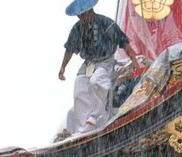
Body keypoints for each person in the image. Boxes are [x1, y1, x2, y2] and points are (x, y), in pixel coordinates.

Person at [58, 0, 144, 138]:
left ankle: (98, 116)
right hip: (88, 63)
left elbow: (123, 42)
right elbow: (69, 49)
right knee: (79, 89)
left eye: (84, 15)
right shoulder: (77, 28)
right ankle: (83, 126)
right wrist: (63, 67)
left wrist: (134, 59)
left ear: (90, 10)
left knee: (96, 82)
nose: (83, 18)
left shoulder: (106, 23)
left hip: (106, 61)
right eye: (80, 16)